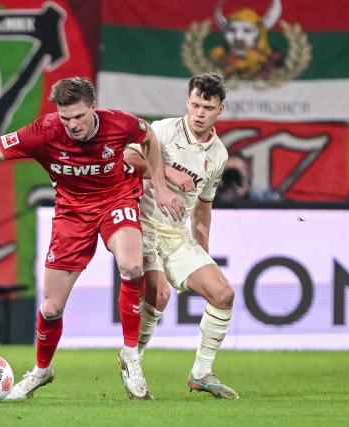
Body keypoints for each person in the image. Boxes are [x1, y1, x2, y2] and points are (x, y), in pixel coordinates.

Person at [0, 77, 182, 400]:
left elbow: (149, 137)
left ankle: (130, 356)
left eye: (78, 117)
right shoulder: (44, 132)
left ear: (93, 108)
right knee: (51, 308)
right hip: (72, 215)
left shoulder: (119, 123)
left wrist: (162, 185)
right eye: (65, 117)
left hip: (117, 200)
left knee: (131, 265)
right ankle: (42, 370)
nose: (71, 125)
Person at [125, 73, 239, 400]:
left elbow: (203, 208)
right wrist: (166, 172)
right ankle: (134, 360)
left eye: (208, 107)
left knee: (223, 294)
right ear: (187, 102)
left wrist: (202, 252)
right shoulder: (162, 131)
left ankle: (201, 373)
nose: (199, 112)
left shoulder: (218, 155)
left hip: (175, 234)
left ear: (220, 109)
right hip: (143, 225)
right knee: (159, 295)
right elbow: (128, 157)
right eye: (195, 104)